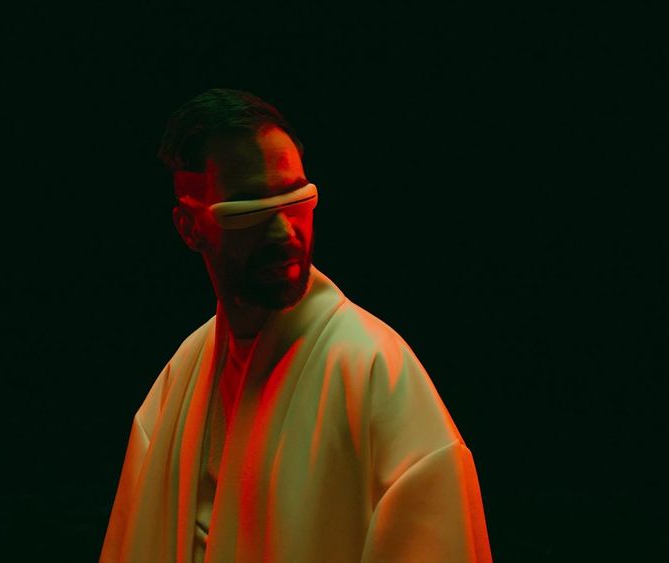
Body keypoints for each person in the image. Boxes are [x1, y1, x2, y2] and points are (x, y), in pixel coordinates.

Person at [100, 88, 491, 563]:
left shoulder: (373, 371)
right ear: (189, 226)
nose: (283, 230)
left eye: (295, 200)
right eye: (249, 210)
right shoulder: (182, 377)